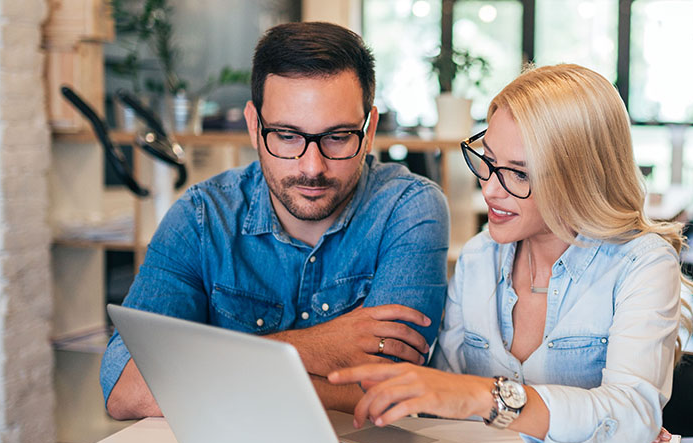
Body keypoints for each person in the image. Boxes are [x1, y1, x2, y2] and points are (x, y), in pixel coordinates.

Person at [328, 63, 693, 443]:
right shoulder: (478, 258)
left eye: (518, 174)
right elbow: (443, 409)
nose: (489, 188)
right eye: (487, 159)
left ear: (578, 177)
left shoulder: (641, 264)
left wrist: (484, 397)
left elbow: (630, 417)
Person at [101, 22, 449, 419]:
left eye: (337, 137)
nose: (312, 167)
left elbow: (391, 390)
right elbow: (126, 389)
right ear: (254, 126)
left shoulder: (409, 208)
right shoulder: (201, 218)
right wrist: (316, 346)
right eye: (286, 136)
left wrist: (208, 377)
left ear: (368, 131)